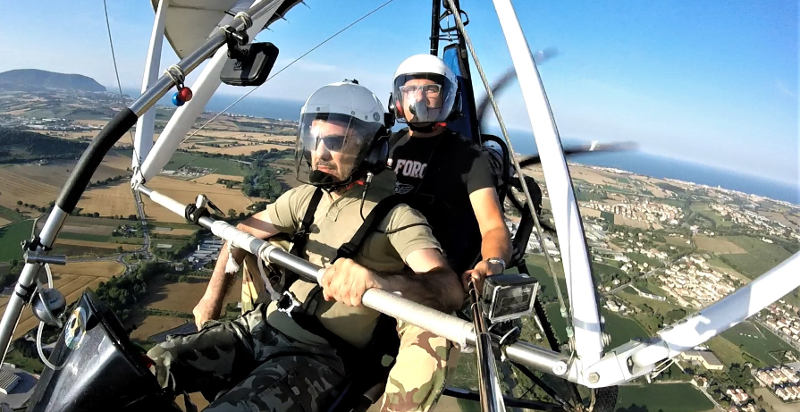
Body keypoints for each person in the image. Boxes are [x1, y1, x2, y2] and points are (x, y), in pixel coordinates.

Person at [148, 81, 464, 411]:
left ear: (371, 148)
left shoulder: (397, 216)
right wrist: (210, 301)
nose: (319, 154)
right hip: (258, 327)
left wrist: (379, 282)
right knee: (153, 364)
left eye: (335, 142)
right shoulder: (307, 197)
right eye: (315, 140)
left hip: (314, 357)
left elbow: (448, 287)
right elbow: (240, 233)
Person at [389, 53, 512, 287]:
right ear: (398, 99)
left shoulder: (469, 156)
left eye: (431, 90)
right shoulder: (389, 145)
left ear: (448, 98)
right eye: (410, 89)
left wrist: (493, 262)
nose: (419, 98)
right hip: (384, 262)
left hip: (435, 276)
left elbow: (493, 226)